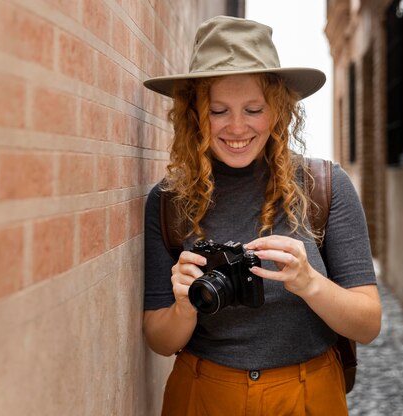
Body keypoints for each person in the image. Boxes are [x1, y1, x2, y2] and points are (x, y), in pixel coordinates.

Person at [142, 15, 381, 416]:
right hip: (202, 393)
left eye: (253, 108)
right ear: (195, 115)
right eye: (218, 110)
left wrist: (309, 283)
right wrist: (184, 306)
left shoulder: (325, 186)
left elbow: (368, 323)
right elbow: (160, 339)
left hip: (309, 394)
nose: (237, 127)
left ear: (278, 110)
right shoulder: (169, 200)